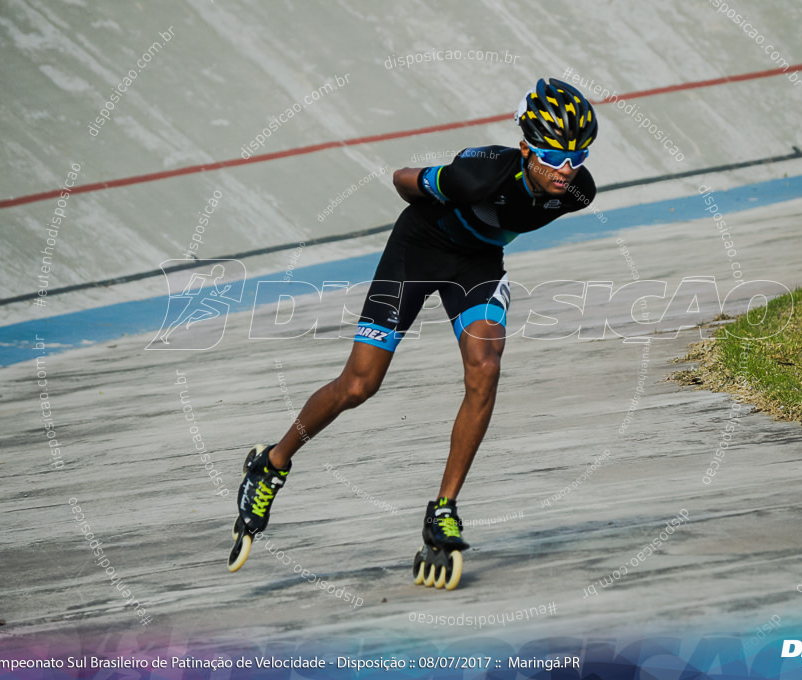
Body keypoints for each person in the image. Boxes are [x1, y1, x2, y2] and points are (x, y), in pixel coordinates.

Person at [234, 77, 599, 579]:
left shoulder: (578, 191)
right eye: (553, 156)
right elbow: (403, 179)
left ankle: (443, 510)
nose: (566, 169)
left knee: (486, 368)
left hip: (477, 264)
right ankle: (271, 464)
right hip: (417, 251)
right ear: (524, 147)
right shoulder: (479, 175)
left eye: (577, 156)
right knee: (359, 385)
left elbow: (528, 208)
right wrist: (428, 180)